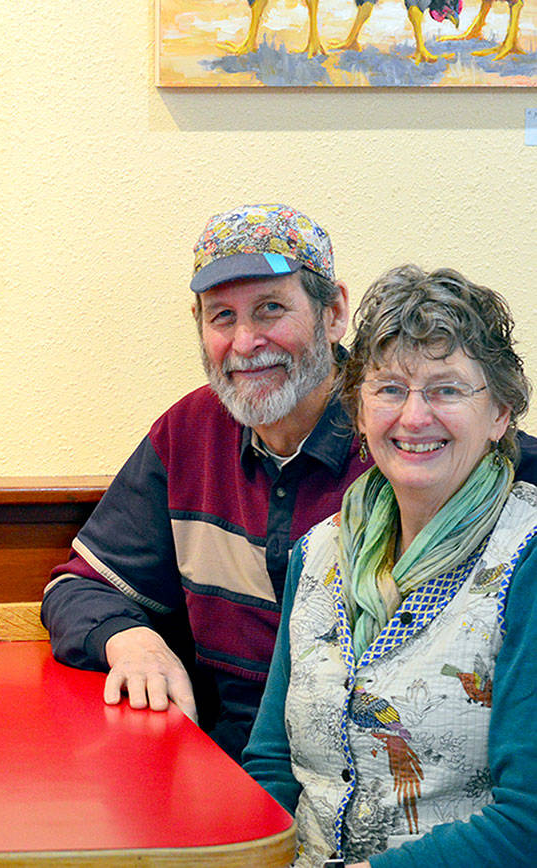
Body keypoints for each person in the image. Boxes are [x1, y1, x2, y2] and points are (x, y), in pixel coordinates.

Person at [39, 204, 537, 761]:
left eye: (271, 309)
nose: (246, 341)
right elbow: (77, 588)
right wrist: (131, 641)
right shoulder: (188, 434)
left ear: (334, 313)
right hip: (226, 768)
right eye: (222, 317)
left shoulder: (414, 444)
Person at [242, 266, 537, 867]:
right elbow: (272, 763)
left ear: (501, 415)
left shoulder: (526, 560)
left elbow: (527, 821)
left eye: (447, 389)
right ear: (359, 409)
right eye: (390, 388)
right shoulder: (319, 552)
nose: (414, 417)